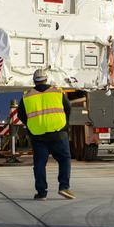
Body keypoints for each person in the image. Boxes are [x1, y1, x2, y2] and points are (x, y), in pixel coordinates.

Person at [23, 70, 74, 200]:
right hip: (58, 133)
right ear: (46, 79)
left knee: (40, 164)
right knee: (64, 159)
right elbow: (68, 108)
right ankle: (64, 187)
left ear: (34, 80)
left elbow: (21, 115)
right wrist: (65, 125)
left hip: (38, 135)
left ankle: (41, 193)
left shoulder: (27, 96)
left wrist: (31, 126)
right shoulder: (57, 92)